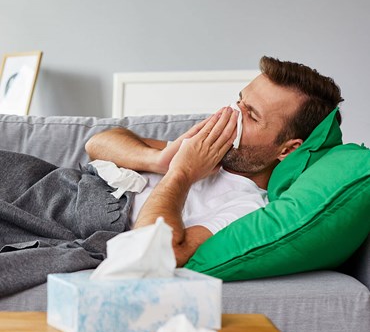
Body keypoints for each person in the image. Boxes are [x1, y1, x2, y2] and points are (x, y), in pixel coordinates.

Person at [85, 56, 344, 267]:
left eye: (251, 115)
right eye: (240, 100)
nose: (232, 114)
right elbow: (96, 143)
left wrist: (181, 174)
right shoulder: (203, 152)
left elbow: (152, 251)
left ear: (287, 149)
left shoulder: (246, 208)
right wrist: (159, 159)